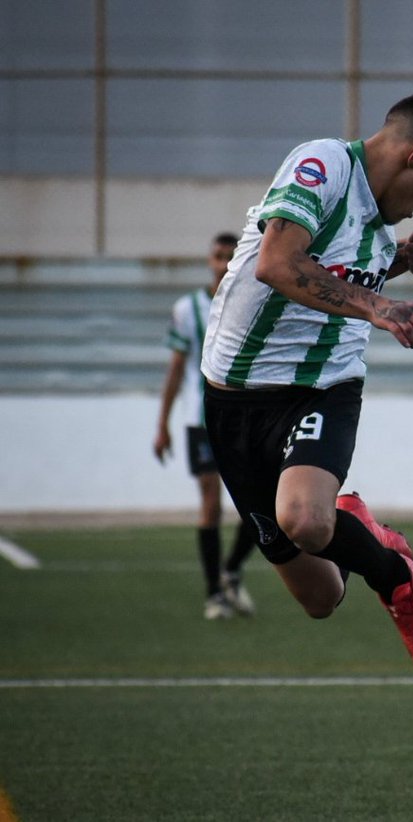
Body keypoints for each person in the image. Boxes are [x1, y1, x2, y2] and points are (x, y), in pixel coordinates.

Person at [200, 92, 413, 677]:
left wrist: (398, 261)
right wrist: (380, 301)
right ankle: (363, 529)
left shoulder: (383, 226)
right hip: (233, 399)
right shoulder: (325, 164)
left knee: (304, 520)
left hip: (324, 384)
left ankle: (397, 580)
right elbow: (277, 263)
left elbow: (344, 267)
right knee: (321, 597)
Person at [154, 232, 258, 620]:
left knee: (260, 505)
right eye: (218, 255)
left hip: (247, 420)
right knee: (211, 504)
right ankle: (215, 592)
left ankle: (231, 570)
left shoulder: (254, 298)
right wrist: (162, 423)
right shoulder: (188, 308)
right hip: (202, 421)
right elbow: (176, 368)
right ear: (208, 260)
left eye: (231, 255)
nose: (224, 261)